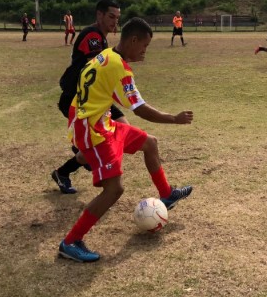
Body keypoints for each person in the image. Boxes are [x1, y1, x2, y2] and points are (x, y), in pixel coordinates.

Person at [58, 18, 193, 262]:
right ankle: (70, 242)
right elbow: (139, 108)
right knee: (114, 189)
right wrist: (174, 119)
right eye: (145, 45)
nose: (145, 51)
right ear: (132, 40)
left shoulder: (107, 54)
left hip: (101, 121)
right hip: (93, 129)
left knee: (149, 143)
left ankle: (167, 194)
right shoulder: (119, 67)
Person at [51, 0, 124, 194]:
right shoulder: (93, 35)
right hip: (77, 100)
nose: (114, 21)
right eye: (111, 16)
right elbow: (97, 67)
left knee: (120, 128)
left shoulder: (100, 36)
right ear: (99, 15)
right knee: (98, 146)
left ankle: (82, 163)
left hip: (92, 100)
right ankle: (66, 171)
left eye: (117, 18)